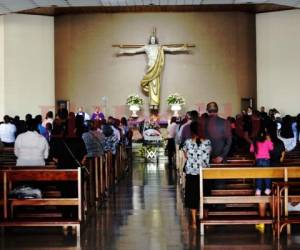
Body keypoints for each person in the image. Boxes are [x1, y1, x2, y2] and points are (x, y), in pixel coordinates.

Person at [118, 30, 189, 109]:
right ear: (150, 40)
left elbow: (171, 49)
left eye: (154, 38)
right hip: (150, 67)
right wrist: (123, 51)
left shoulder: (160, 47)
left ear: (155, 40)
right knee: (151, 86)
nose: (152, 40)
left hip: (157, 68)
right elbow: (135, 51)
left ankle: (156, 104)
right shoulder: (146, 47)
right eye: (151, 39)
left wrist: (182, 48)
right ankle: (152, 104)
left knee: (156, 86)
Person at [183, 121, 211, 228]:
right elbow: (209, 153)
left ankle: (194, 222)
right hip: (204, 172)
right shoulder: (207, 142)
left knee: (192, 195)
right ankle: (206, 219)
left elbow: (186, 156)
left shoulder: (188, 142)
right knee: (205, 194)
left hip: (191, 172)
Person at [250, 130, 274, 196]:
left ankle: (258, 190)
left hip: (258, 160)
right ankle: (267, 189)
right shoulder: (267, 141)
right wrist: (270, 140)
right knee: (267, 175)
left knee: (259, 175)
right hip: (266, 160)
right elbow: (271, 148)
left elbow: (251, 150)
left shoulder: (254, 142)